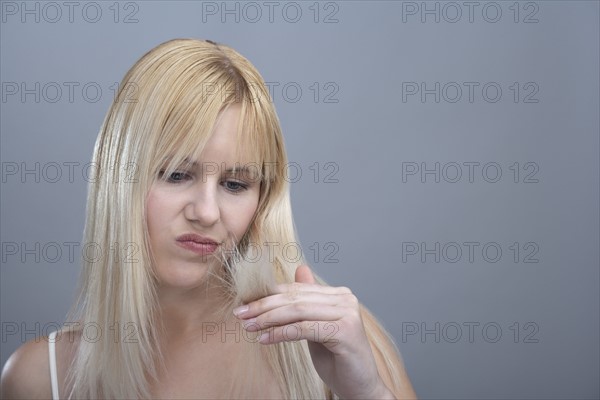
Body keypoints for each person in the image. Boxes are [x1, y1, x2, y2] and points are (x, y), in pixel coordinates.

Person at [0, 38, 417, 399]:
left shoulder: (333, 340)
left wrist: (369, 394)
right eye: (177, 175)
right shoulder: (40, 378)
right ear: (118, 176)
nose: (206, 212)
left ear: (263, 197)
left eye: (235, 185)